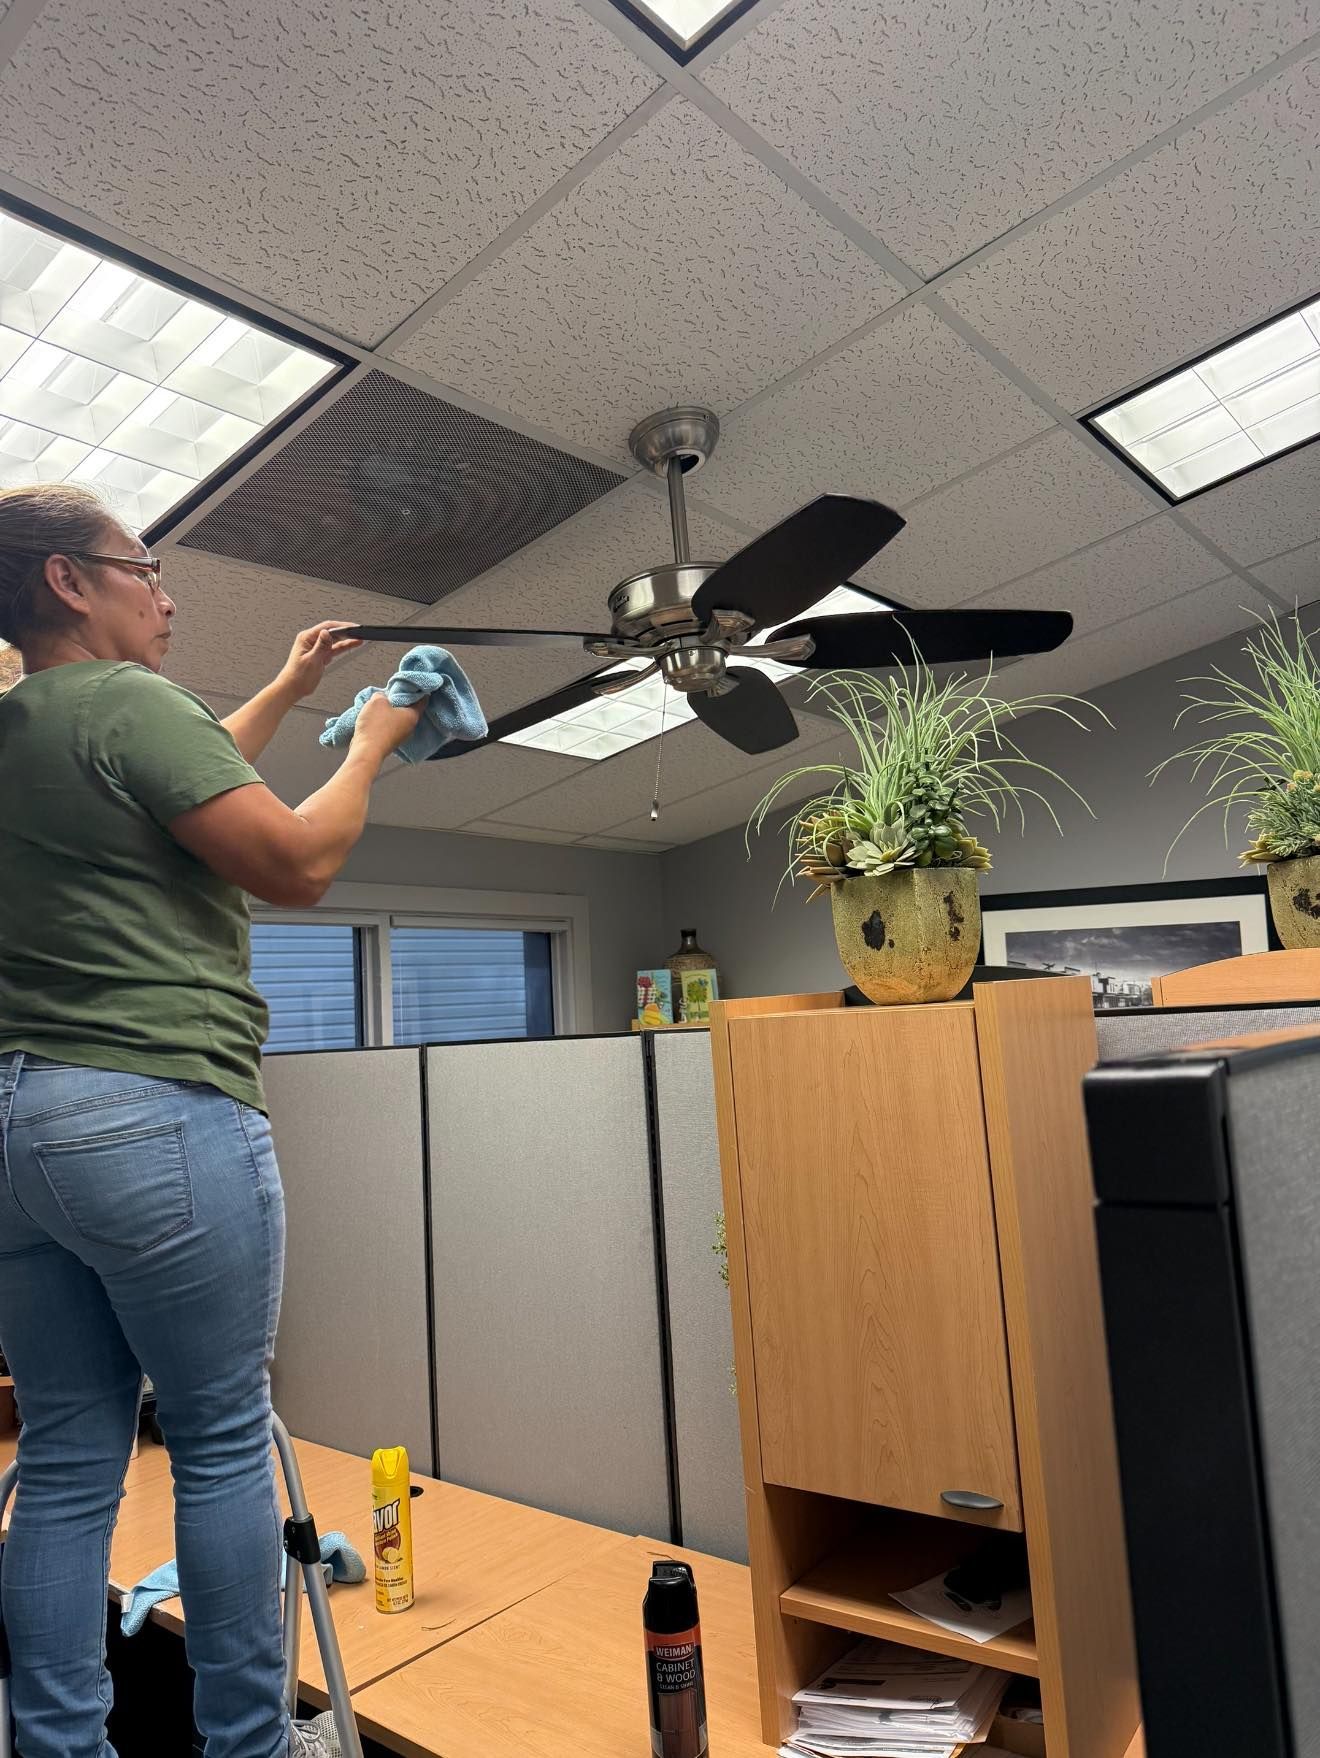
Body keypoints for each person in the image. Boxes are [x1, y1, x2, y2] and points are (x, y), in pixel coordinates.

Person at [0, 482, 421, 1758]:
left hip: (18, 1134)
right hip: (150, 1108)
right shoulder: (129, 702)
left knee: (68, 1455)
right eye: (145, 565)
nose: (166, 591)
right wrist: (371, 744)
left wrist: (289, 692)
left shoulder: (23, 727)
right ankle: (249, 1744)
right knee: (222, 1434)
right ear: (69, 581)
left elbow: (168, 799)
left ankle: (58, 1747)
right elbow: (293, 863)